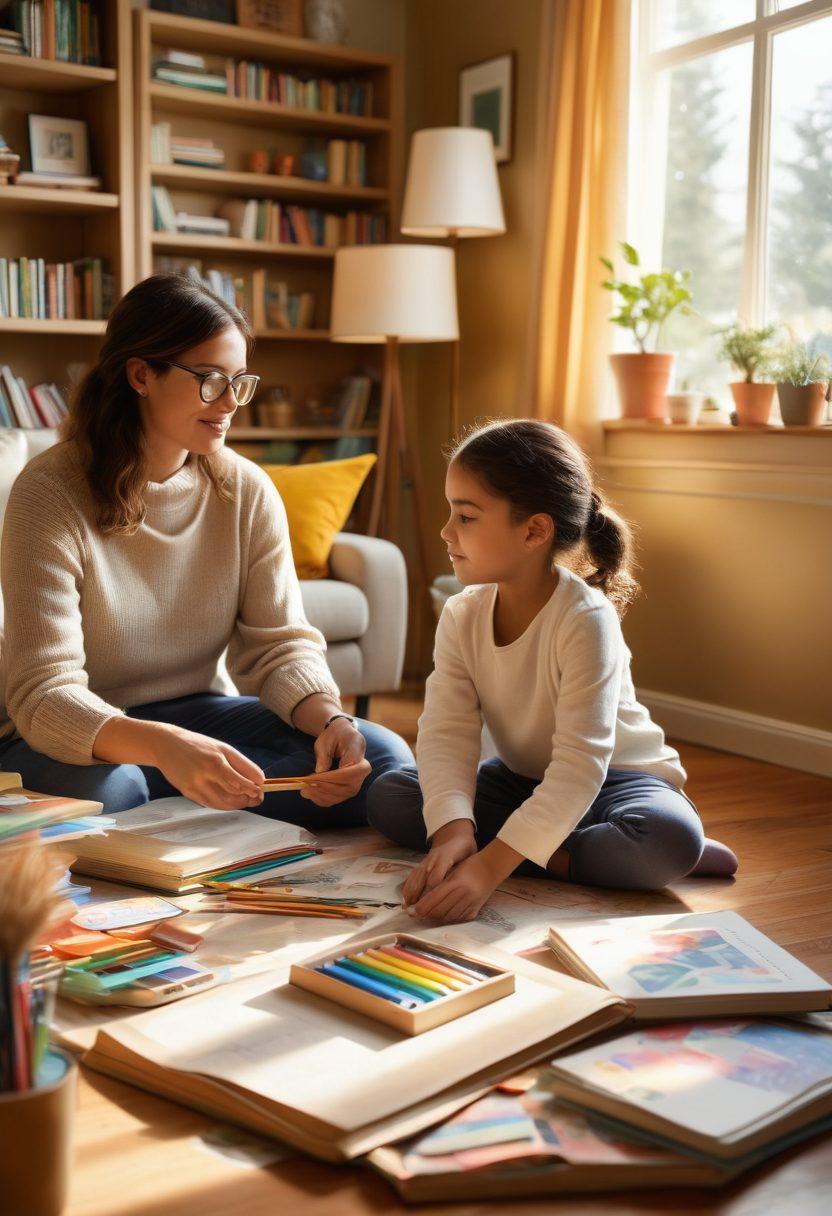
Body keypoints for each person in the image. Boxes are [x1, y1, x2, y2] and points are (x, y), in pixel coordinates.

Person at [0, 273, 412, 821]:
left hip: (196, 714)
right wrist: (165, 747)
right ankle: (201, 804)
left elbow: (280, 647)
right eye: (210, 379)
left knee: (382, 759)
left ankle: (187, 807)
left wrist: (333, 720)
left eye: (239, 382)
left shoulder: (245, 490)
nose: (229, 403)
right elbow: (45, 693)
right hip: (83, 732)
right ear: (141, 374)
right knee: (117, 792)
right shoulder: (49, 492)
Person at [367, 419, 737, 923]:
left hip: (617, 780)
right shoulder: (462, 613)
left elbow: (581, 766)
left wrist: (486, 869)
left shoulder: (586, 620)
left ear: (535, 531)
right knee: (392, 794)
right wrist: (453, 833)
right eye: (450, 513)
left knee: (667, 840)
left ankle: (559, 848)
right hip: (522, 779)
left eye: (466, 516)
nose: (446, 531)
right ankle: (573, 850)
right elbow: (447, 733)